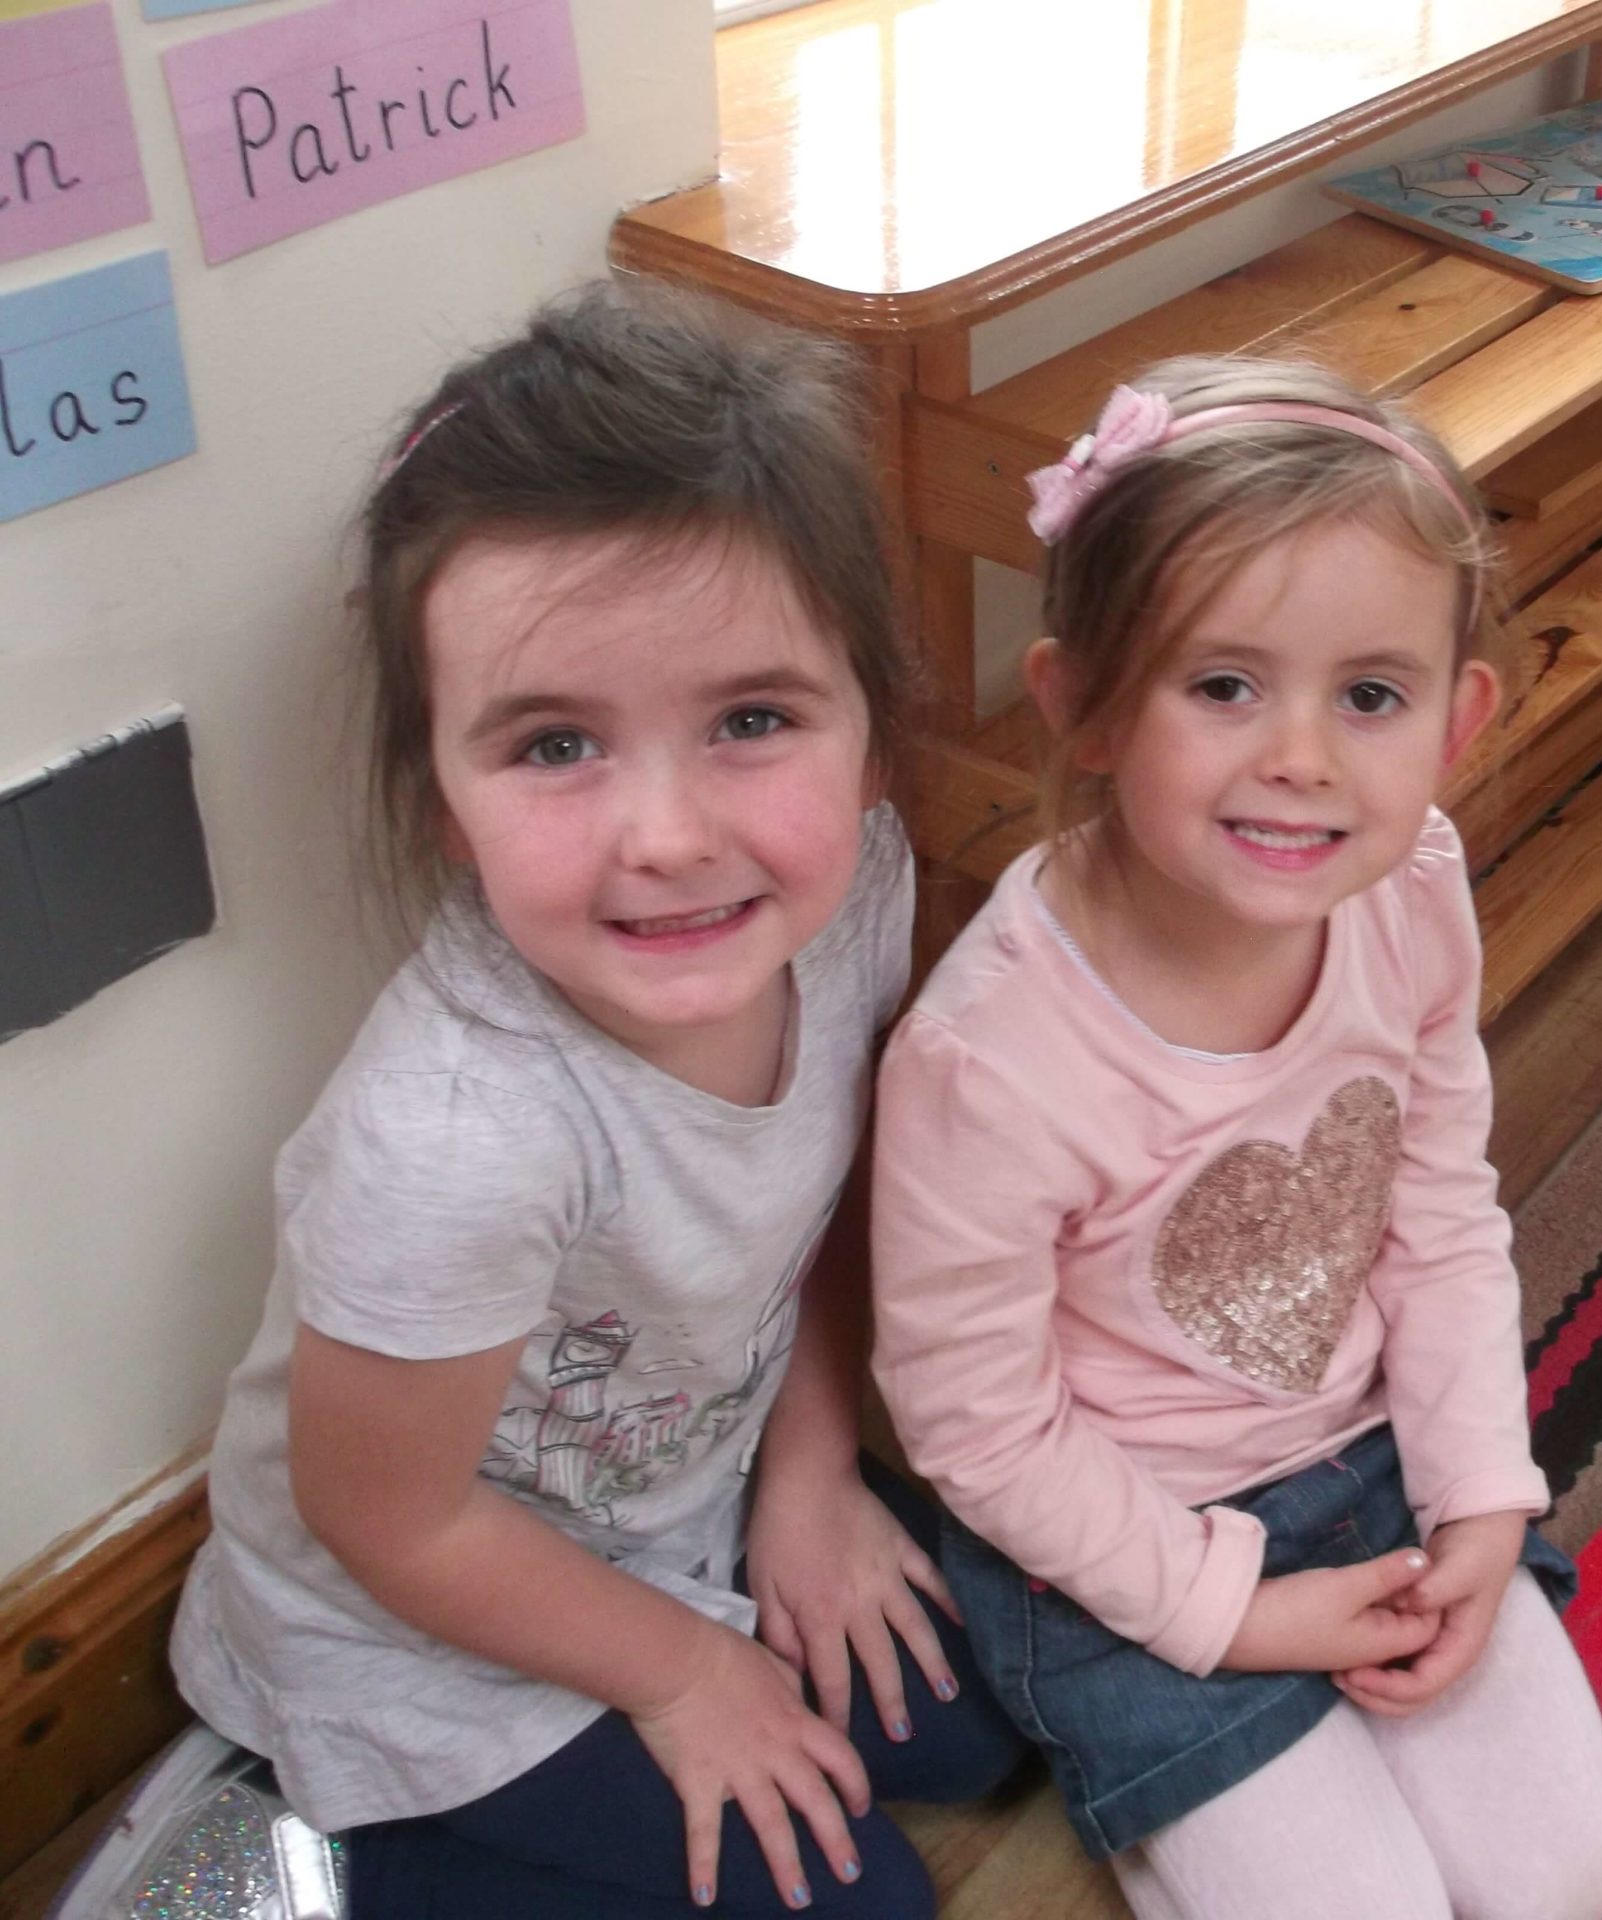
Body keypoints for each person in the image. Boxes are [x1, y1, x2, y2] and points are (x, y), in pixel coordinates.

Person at [164, 284, 1024, 1920]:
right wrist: (685, 1676)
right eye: (557, 745)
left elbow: (840, 1196)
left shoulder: (851, 894)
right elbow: (389, 1522)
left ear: (870, 734)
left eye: (753, 721)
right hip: (407, 1626)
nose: (671, 838)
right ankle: (310, 1843)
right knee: (870, 1905)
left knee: (995, 1711)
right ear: (443, 801)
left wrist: (810, 1477)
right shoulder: (453, 1137)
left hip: (687, 1500)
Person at [868, 359, 1602, 1920]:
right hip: (1119, 1536)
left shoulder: (1414, 887)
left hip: (1374, 1462)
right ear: (1084, 705)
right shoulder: (986, 1059)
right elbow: (978, 1428)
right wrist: (1232, 1615)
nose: (1302, 757)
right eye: (1223, 685)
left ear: (1458, 720)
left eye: (1371, 696)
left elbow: (1440, 1209)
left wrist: (1484, 1494)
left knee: (1564, 1876)